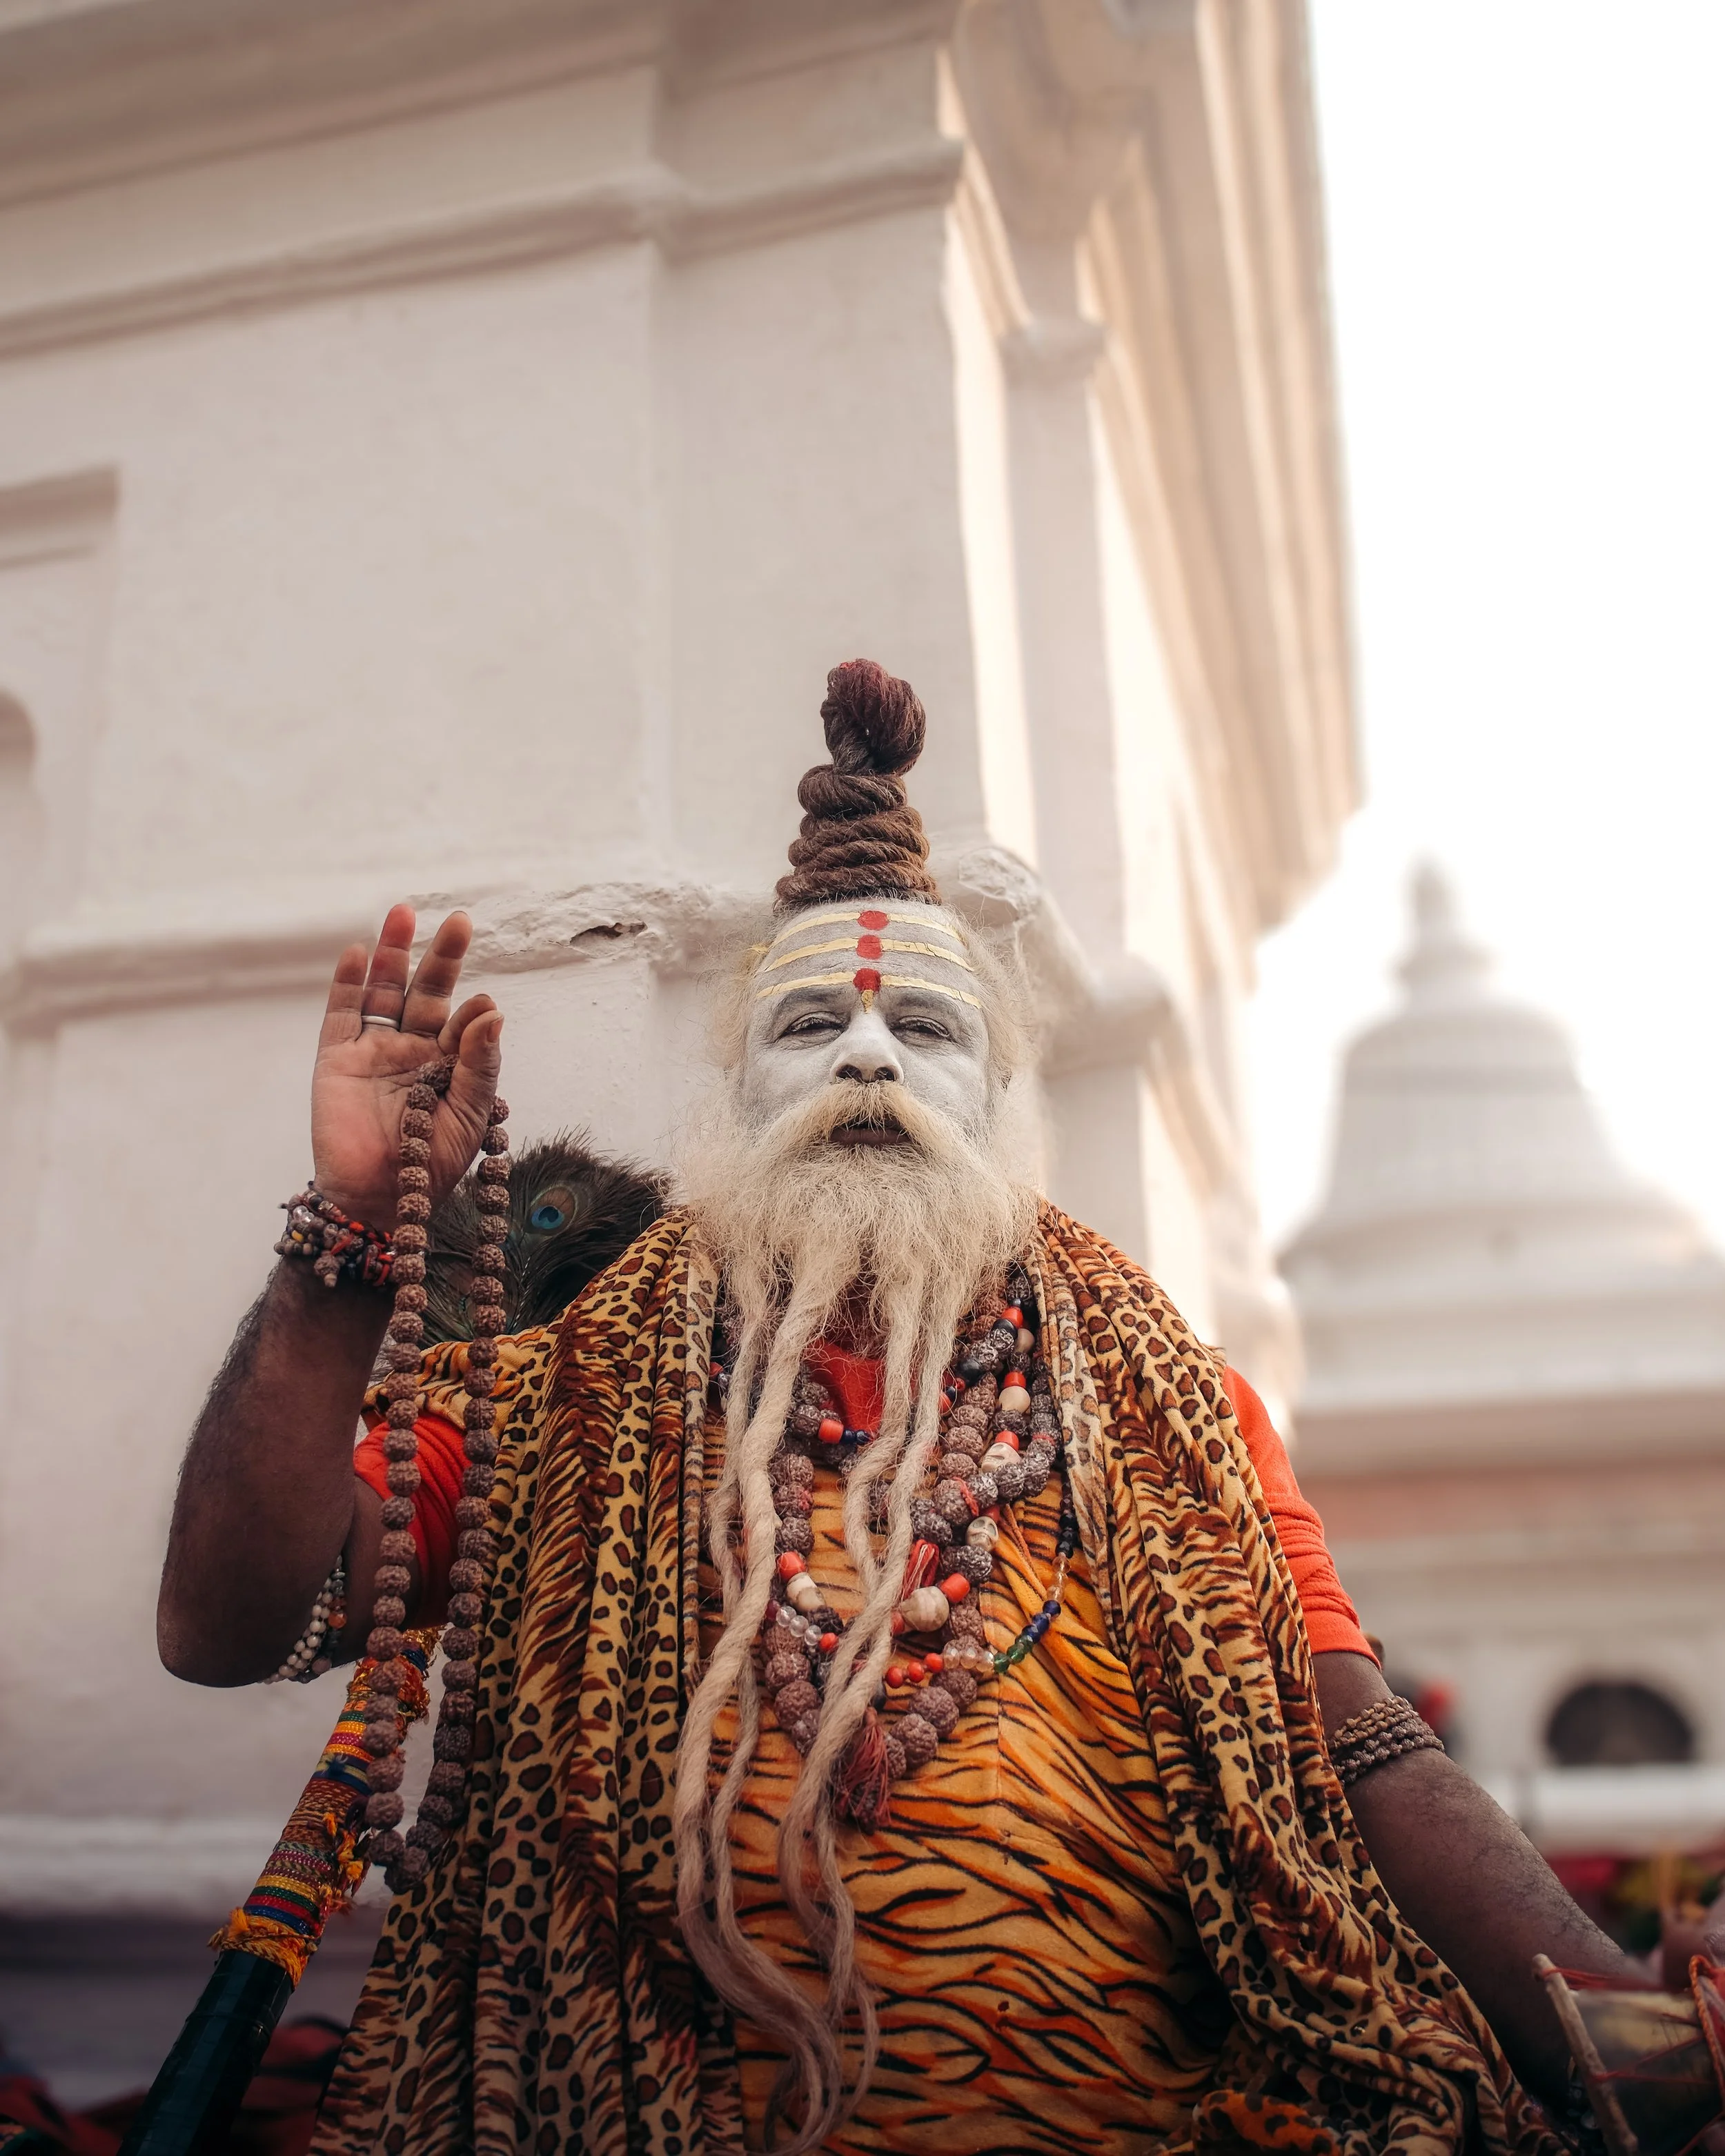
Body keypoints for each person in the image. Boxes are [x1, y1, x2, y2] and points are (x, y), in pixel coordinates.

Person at [159, 662, 1630, 2156]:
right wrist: (344, 1242)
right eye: (810, 1024)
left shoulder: (1178, 1409)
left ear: (996, 1095)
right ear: (736, 1098)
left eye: (923, 1025)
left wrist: (1621, 2020)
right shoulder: (555, 1394)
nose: (867, 1053)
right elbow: (227, 1629)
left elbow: (1360, 1746)